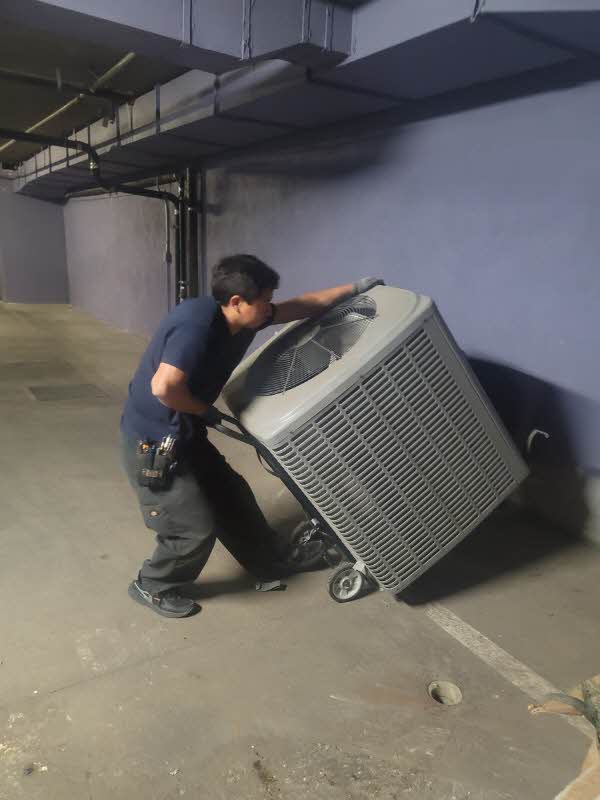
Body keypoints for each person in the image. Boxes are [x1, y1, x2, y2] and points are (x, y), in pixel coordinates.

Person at [120, 253, 383, 618]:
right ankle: (153, 584)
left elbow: (299, 305)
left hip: (186, 431)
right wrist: (204, 410)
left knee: (233, 497)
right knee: (191, 527)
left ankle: (270, 561)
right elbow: (164, 387)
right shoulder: (196, 324)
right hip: (153, 439)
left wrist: (354, 289)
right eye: (264, 301)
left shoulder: (244, 319)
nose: (269, 308)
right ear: (236, 302)